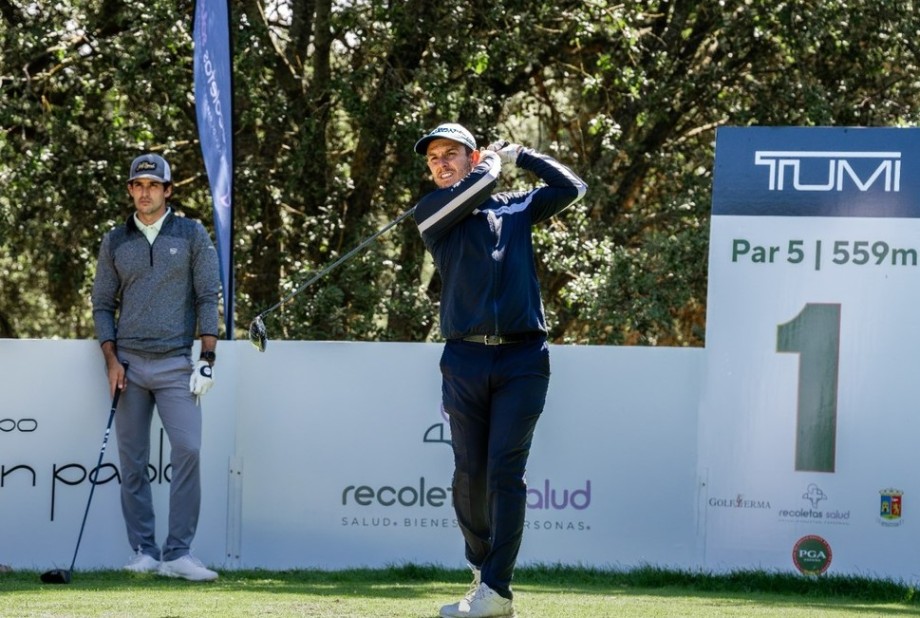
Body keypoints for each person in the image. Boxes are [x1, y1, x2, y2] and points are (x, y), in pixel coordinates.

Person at [413, 123, 588, 618]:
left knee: (506, 473)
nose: (441, 163)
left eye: (452, 154)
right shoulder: (433, 213)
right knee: (470, 473)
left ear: (472, 157)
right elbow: (477, 188)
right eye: (434, 158)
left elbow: (572, 188)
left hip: (523, 356)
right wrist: (492, 167)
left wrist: (523, 155)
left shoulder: (515, 206)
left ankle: (497, 590)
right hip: (465, 357)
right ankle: (479, 564)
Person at [91, 153, 221, 581]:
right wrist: (110, 358)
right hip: (127, 365)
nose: (144, 192)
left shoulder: (191, 233)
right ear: (130, 190)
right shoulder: (114, 240)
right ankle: (145, 551)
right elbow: (102, 304)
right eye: (137, 185)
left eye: (153, 185)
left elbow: (206, 296)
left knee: (188, 450)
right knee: (132, 461)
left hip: (174, 365)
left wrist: (207, 358)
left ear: (168, 190)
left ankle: (178, 553)